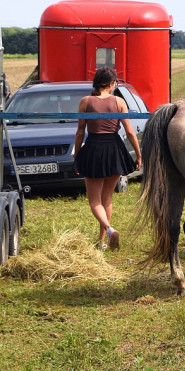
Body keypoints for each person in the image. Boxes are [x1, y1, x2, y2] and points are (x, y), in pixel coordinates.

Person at [74, 68, 142, 250]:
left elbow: (80, 131)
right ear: (112, 84)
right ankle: (102, 241)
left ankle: (109, 231)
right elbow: (129, 131)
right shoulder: (119, 102)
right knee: (107, 198)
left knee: (94, 201)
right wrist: (138, 154)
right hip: (114, 149)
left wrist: (77, 155)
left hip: (94, 148)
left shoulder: (85, 102)